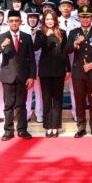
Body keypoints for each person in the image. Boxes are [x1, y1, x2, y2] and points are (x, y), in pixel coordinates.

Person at [0, 10, 36, 141]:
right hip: (8, 76)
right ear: (7, 22)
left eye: (17, 21)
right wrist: (2, 46)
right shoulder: (2, 36)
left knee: (21, 105)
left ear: (20, 22)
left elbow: (31, 59)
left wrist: (32, 76)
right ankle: (8, 131)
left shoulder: (27, 37)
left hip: (23, 76)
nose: (14, 23)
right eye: (11, 21)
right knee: (8, 105)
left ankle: (22, 130)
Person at [66, 5, 92, 138]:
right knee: (79, 100)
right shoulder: (73, 33)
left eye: (87, 16)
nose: (85, 19)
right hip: (78, 72)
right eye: (82, 17)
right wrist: (76, 43)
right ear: (78, 18)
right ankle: (81, 126)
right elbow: (67, 50)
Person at [34, 10, 71, 138]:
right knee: (46, 99)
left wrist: (69, 69)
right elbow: (35, 47)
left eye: (52, 19)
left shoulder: (63, 33)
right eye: (47, 19)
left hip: (59, 69)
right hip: (45, 70)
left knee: (57, 99)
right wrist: (46, 36)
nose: (50, 21)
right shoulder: (40, 33)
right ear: (44, 20)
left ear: (56, 20)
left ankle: (55, 126)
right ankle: (48, 126)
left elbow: (65, 52)